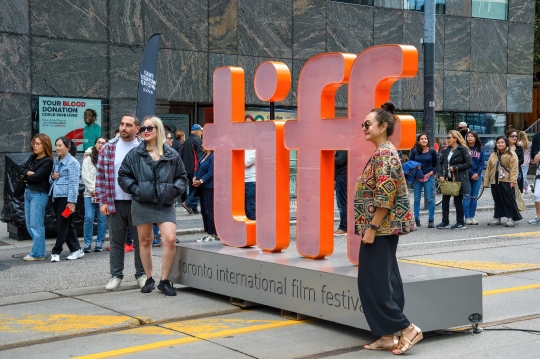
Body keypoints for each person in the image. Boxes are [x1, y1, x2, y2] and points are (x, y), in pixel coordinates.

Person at [355, 102, 421, 355]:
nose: (364, 128)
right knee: (387, 280)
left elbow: (385, 195)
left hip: (379, 229)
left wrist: (371, 227)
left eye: (367, 124)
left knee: (374, 284)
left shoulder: (384, 154)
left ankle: (407, 329)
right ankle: (386, 335)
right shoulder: (385, 151)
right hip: (383, 229)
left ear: (383, 126)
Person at [118, 115, 187, 296]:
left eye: (150, 128)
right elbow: (123, 175)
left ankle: (164, 281)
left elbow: (182, 177)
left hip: (165, 202)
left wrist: (173, 190)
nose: (145, 131)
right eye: (144, 129)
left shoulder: (172, 154)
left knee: (170, 239)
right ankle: (149, 278)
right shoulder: (135, 154)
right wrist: (136, 189)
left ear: (159, 131)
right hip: (142, 202)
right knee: (144, 240)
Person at [96, 113, 146, 290]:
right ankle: (116, 275)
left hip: (138, 203)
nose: (123, 128)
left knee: (141, 241)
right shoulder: (109, 148)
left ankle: (141, 274)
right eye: (122, 124)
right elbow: (100, 176)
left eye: (128, 125)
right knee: (116, 242)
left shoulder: (144, 147)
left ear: (137, 129)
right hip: (114, 202)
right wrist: (102, 201)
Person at [20, 134, 54, 261]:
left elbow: (36, 177)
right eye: (34, 143)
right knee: (29, 225)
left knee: (36, 225)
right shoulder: (33, 158)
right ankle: (38, 249)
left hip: (38, 194)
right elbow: (21, 169)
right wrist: (28, 173)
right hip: (28, 193)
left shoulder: (48, 161)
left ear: (45, 145)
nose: (34, 146)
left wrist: (27, 175)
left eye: (38, 143)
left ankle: (38, 253)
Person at [49, 137, 83, 262]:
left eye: (60, 145)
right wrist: (53, 177)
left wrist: (71, 201)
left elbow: (74, 184)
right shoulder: (56, 161)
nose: (57, 148)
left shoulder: (73, 162)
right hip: (56, 197)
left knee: (63, 225)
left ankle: (56, 251)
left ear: (67, 147)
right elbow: (50, 180)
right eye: (56, 145)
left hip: (66, 198)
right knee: (67, 225)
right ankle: (77, 250)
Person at [483, 136, 522, 227]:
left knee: (509, 200)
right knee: (497, 200)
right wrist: (486, 181)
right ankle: (497, 217)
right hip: (494, 181)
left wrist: (513, 180)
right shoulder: (493, 155)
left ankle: (511, 218)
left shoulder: (511, 154)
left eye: (502, 142)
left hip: (506, 180)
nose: (500, 144)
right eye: (498, 143)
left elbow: (514, 168)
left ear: (506, 143)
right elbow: (488, 168)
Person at [437, 130, 472, 230]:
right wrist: (440, 174)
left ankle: (460, 222)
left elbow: (469, 163)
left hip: (459, 178)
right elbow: (439, 162)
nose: (447, 140)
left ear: (455, 138)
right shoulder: (447, 150)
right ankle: (445, 222)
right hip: (447, 178)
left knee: (458, 201)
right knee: (445, 201)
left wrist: (456, 167)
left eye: (449, 138)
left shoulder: (462, 149)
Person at [81, 137, 108, 253]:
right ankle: (87, 243)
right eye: (98, 142)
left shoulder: (109, 158)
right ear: (95, 144)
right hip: (89, 193)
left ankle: (99, 242)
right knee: (88, 217)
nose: (100, 145)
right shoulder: (88, 158)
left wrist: (101, 190)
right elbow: (85, 176)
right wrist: (94, 189)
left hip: (104, 193)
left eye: (103, 143)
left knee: (102, 218)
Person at [409, 134, 437, 228]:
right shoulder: (414, 151)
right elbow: (410, 163)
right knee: (417, 200)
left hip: (428, 177)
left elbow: (436, 165)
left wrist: (432, 172)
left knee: (430, 199)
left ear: (428, 140)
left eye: (425, 138)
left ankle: (431, 220)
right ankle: (416, 219)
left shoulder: (432, 151)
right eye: (422, 139)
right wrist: (415, 167)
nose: (424, 140)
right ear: (418, 141)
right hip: (417, 177)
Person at [194, 145, 216, 241]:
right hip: (201, 186)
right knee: (203, 211)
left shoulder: (213, 156)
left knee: (208, 211)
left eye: (204, 143)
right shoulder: (203, 155)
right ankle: (207, 232)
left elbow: (211, 172)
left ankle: (212, 234)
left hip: (208, 186)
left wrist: (202, 181)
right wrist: (194, 177)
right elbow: (198, 168)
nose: (202, 145)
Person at [181, 124, 204, 214]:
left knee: (192, 187)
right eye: (201, 131)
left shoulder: (186, 141)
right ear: (197, 131)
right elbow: (200, 156)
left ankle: (193, 208)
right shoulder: (198, 140)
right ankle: (188, 203)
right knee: (197, 187)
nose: (202, 133)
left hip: (187, 168)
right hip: (195, 168)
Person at [463, 131, 484, 225]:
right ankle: (467, 217)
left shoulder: (480, 149)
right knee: (466, 196)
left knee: (474, 197)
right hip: (467, 175)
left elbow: (482, 162)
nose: (470, 138)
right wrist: (471, 173)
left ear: (476, 138)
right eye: (468, 136)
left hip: (477, 175)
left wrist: (478, 173)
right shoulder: (464, 148)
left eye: (472, 136)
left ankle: (472, 216)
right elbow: (464, 163)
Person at [334, 150, 347, 235]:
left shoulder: (344, 149)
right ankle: (344, 226)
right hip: (341, 177)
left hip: (342, 178)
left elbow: (339, 161)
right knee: (342, 204)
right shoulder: (341, 148)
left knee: (342, 204)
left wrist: (331, 154)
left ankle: (343, 227)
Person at [530, 131, 540, 224]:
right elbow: (535, 160)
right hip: (539, 173)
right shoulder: (537, 136)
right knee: (537, 195)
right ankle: (538, 217)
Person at [245, 149, 256, 221]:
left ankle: (253, 228)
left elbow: (245, 163)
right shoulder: (242, 149)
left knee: (251, 206)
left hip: (251, 180)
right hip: (238, 180)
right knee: (243, 207)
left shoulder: (254, 150)